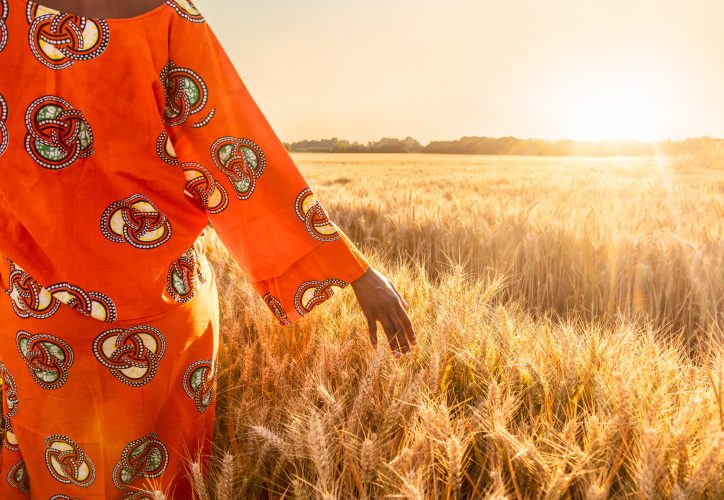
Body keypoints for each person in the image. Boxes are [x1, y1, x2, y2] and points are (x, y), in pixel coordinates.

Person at [0, 0, 417, 497]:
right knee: (157, 478)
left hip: (35, 310)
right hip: (159, 304)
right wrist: (352, 269)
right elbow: (235, 149)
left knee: (54, 468)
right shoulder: (169, 17)